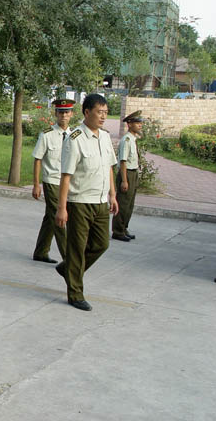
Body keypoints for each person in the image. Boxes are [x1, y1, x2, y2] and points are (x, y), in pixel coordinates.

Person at [55, 94, 118, 312]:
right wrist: (62, 208)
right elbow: (66, 176)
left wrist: (113, 195)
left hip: (100, 201)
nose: (103, 117)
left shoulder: (105, 137)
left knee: (101, 244)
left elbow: (109, 168)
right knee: (76, 248)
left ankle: (68, 269)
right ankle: (75, 294)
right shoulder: (75, 139)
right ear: (87, 112)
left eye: (106, 113)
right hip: (79, 202)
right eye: (99, 112)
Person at [31, 99, 74, 264]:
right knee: (59, 219)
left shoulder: (74, 135)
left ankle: (41, 252)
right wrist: (36, 184)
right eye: (61, 112)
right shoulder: (47, 134)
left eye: (67, 112)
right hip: (52, 181)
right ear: (56, 113)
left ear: (71, 114)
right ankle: (69, 259)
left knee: (50, 217)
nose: (64, 115)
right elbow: (37, 159)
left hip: (67, 182)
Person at [112, 111, 143, 242]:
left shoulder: (133, 139)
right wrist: (124, 180)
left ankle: (124, 228)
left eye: (140, 123)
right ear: (129, 124)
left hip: (133, 173)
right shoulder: (126, 140)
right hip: (127, 173)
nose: (140, 125)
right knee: (123, 203)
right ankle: (117, 231)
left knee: (129, 204)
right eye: (137, 123)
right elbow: (123, 161)